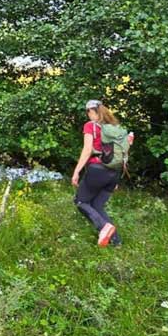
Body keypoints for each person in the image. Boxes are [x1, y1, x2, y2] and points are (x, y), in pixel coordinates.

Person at [71, 99, 132, 247]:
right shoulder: (115, 128)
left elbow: (87, 150)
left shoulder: (91, 126)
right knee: (97, 205)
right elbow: (123, 153)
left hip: (98, 170)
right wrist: (116, 179)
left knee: (81, 201)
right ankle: (116, 243)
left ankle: (103, 227)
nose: (88, 115)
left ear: (92, 111)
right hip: (114, 172)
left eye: (88, 112)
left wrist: (76, 171)